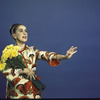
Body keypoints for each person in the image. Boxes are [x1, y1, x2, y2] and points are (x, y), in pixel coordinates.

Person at [2, 24, 77, 99]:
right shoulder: (8, 52)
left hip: (33, 93)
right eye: (21, 31)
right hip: (16, 93)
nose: (24, 33)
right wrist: (23, 70)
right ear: (14, 35)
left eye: (26, 31)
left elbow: (46, 55)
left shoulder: (32, 51)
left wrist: (65, 56)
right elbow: (5, 71)